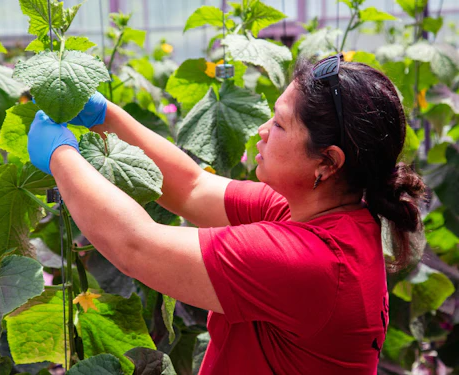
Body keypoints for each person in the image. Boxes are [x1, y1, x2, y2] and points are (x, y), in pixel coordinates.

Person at [28, 55, 426, 374]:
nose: (262, 131)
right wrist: (103, 116)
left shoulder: (312, 263)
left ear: (327, 162)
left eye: (281, 125)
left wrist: (60, 156)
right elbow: (192, 188)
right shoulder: (315, 212)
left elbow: (136, 246)